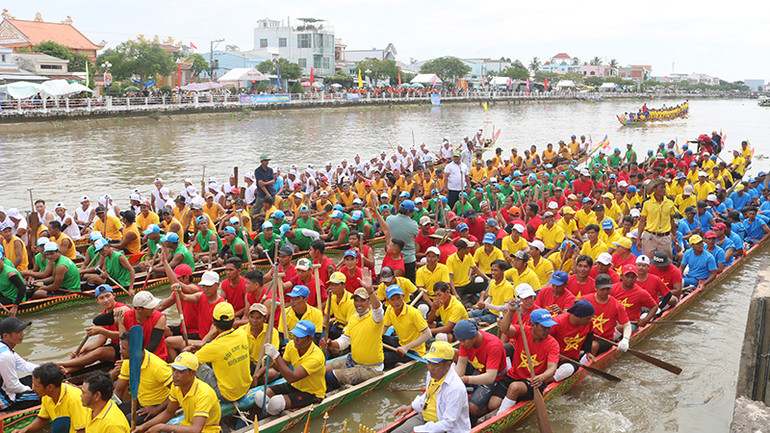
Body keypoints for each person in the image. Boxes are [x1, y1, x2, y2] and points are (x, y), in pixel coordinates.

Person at [489, 307, 559, 415]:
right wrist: (511, 311)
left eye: (549, 327)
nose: (547, 330)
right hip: (514, 375)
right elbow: (505, 329)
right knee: (492, 404)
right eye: (543, 327)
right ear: (533, 325)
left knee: (514, 388)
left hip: (534, 381)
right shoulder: (523, 331)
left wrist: (541, 377)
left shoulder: (552, 344)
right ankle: (513, 402)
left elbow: (552, 368)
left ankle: (500, 416)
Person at [322, 270, 384, 390]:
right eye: (356, 300)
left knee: (330, 376)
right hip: (353, 360)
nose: (358, 304)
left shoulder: (375, 317)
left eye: (362, 300)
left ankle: (336, 390)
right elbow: (344, 341)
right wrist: (330, 343)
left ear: (369, 302)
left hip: (371, 368)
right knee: (323, 370)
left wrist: (370, 290)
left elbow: (378, 309)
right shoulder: (354, 318)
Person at [390, 341, 471, 433]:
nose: (430, 367)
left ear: (448, 364)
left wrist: (419, 431)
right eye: (429, 362)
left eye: (435, 364)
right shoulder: (432, 374)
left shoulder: (455, 388)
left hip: (445, 428)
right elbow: (428, 395)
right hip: (426, 418)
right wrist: (412, 406)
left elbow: (448, 423)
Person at [134, 352, 221, 433]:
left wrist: (162, 427)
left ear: (192, 373)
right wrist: (142, 427)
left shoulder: (204, 394)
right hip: (187, 425)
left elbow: (196, 429)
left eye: (180, 371)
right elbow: (168, 413)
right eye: (174, 370)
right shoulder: (176, 387)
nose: (175, 375)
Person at [255, 320, 326, 415]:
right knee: (260, 396)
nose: (295, 339)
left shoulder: (316, 357)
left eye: (300, 337)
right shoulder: (291, 346)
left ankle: (274, 411)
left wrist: (277, 356)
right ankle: (272, 411)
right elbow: (280, 367)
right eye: (295, 336)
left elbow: (291, 378)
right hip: (294, 386)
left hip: (311, 393)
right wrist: (271, 362)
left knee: (276, 403)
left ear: (310, 339)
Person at [57, 285, 128, 374]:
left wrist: (101, 331)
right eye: (101, 298)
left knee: (99, 352)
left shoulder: (122, 309)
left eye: (108, 296)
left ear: (114, 295)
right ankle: (66, 371)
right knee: (85, 354)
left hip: (126, 347)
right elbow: (101, 340)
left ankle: (60, 363)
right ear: (97, 301)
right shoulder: (103, 315)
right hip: (115, 346)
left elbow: (124, 336)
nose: (106, 300)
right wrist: (84, 349)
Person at [190, 302, 251, 403]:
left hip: (227, 396)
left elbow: (190, 362)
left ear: (214, 323)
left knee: (193, 365)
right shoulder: (242, 333)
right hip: (245, 388)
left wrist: (185, 351)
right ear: (233, 320)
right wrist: (205, 344)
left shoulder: (213, 347)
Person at [113, 331, 173, 425]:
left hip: (159, 406)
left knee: (127, 421)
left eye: (123, 348)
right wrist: (109, 409)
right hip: (139, 402)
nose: (120, 351)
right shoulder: (127, 363)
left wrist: (157, 409)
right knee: (114, 414)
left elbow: (178, 390)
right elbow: (118, 391)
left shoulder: (158, 367)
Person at [454, 319, 507, 421]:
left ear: (473, 336)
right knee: (453, 353)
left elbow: (490, 377)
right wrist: (451, 381)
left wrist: (465, 379)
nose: (461, 343)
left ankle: (485, 408)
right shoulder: (465, 340)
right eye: (459, 341)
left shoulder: (493, 345)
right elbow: (461, 365)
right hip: (479, 370)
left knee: (472, 409)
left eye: (463, 341)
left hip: (496, 377)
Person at [17, 362, 88, 433]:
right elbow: (43, 419)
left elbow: (82, 430)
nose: (33, 388)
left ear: (50, 387)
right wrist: (24, 430)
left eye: (36, 386)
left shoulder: (74, 399)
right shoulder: (46, 396)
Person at [381, 284, 432, 365]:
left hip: (413, 350)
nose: (396, 302)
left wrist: (406, 347)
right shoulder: (389, 310)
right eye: (393, 299)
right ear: (388, 301)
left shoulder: (414, 313)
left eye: (398, 298)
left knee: (382, 358)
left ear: (403, 297)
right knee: (380, 340)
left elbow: (428, 334)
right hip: (401, 343)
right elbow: (384, 329)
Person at [583, 274, 632, 354]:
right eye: (602, 289)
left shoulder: (616, 305)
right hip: (585, 337)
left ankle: (584, 363)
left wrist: (626, 339)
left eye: (608, 289)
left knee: (593, 346)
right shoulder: (585, 300)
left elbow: (627, 325)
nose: (605, 292)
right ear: (595, 288)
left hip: (605, 340)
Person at [549, 299, 595, 382]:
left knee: (567, 370)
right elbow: (543, 339)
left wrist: (588, 351)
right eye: (588, 318)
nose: (590, 321)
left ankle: (549, 381)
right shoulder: (557, 322)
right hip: (553, 357)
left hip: (572, 359)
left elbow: (590, 334)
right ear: (577, 317)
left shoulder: (589, 323)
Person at [0, 317, 39, 411]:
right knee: (46, 394)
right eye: (18, 332)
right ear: (6, 335)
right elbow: (13, 386)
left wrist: (46, 368)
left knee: (35, 378)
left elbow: (25, 365)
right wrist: (31, 389)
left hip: (7, 388)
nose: (22, 334)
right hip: (6, 401)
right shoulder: (6, 356)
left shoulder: (4, 348)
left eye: (22, 331)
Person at [638, 177, 676, 260]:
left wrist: (674, 234)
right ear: (654, 189)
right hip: (650, 235)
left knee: (667, 260)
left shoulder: (670, 202)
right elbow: (642, 221)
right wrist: (638, 238)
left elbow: (671, 219)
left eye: (664, 187)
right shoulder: (647, 203)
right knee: (648, 260)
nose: (664, 189)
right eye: (661, 188)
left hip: (665, 236)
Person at [611, 265, 658, 330]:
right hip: (613, 321)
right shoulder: (612, 289)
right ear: (621, 276)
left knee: (620, 327)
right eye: (627, 276)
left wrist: (646, 320)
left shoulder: (641, 293)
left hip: (631, 323)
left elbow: (654, 306)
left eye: (633, 277)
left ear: (636, 278)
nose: (630, 279)